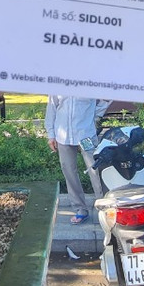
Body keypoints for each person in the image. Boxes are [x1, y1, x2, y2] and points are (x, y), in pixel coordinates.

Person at [45, 95, 109, 224]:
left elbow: (106, 97)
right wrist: (51, 134)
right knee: (69, 171)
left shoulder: (89, 81)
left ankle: (105, 208)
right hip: (62, 135)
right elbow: (51, 107)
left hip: (86, 134)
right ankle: (80, 209)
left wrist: (95, 115)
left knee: (95, 170)